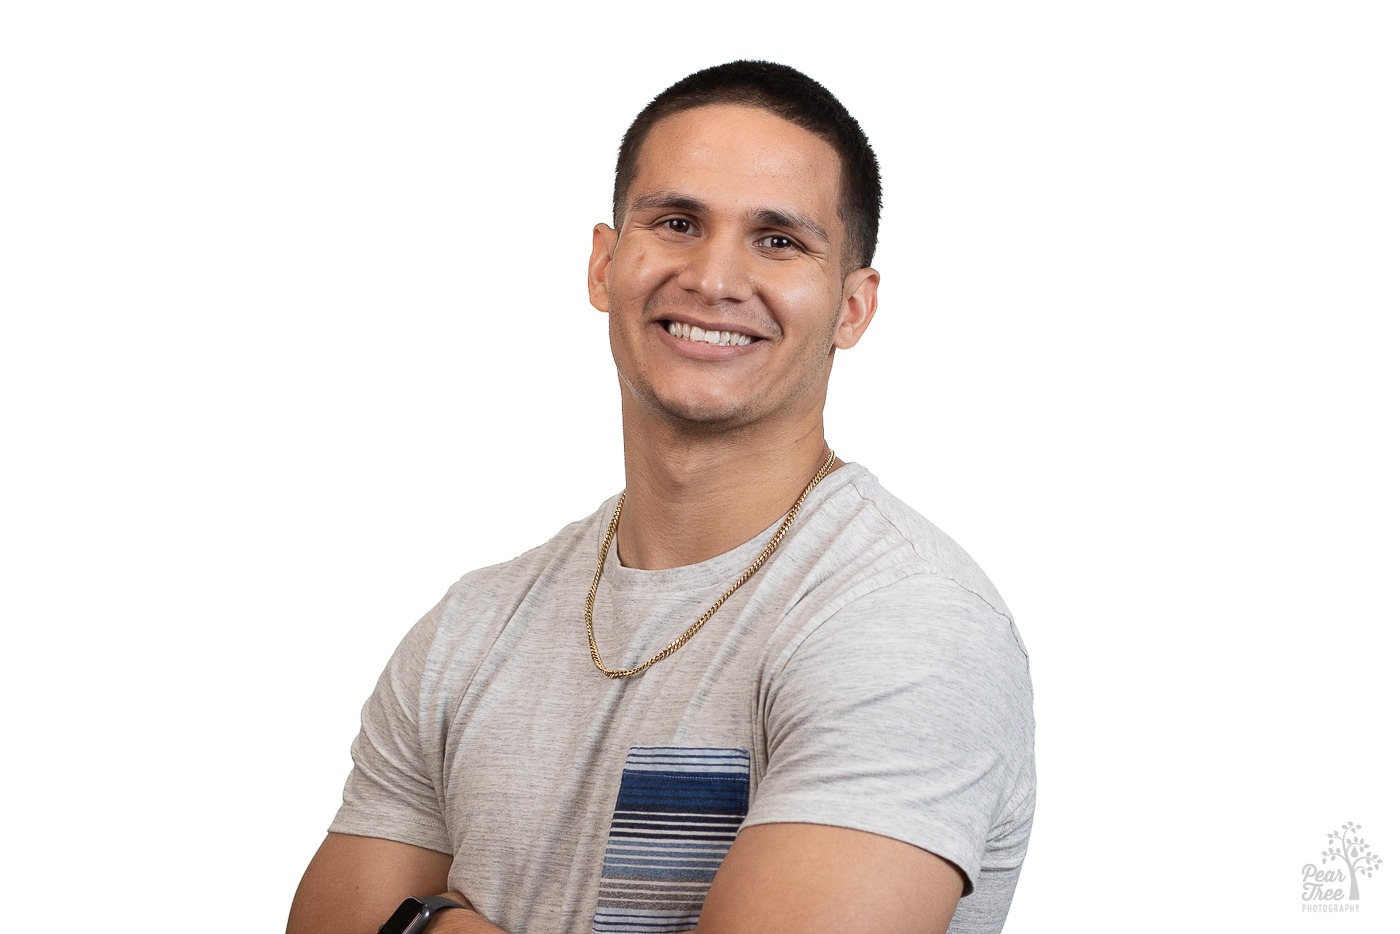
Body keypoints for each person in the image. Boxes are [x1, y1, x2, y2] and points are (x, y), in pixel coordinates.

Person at [287, 60, 1035, 934]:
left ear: (853, 307)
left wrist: (430, 923)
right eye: (677, 222)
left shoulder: (907, 623)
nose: (714, 277)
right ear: (606, 265)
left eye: (779, 240)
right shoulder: (470, 628)